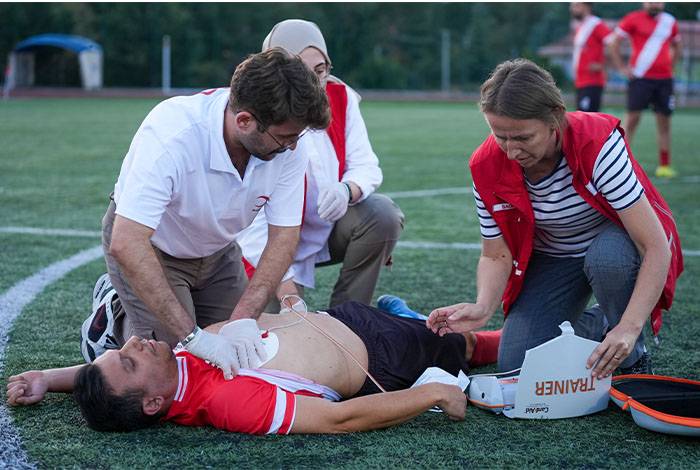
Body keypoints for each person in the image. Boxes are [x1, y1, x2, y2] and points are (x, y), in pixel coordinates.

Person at [426, 59, 683, 380]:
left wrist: (629, 328)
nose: (510, 151)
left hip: (616, 250)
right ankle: (603, 322)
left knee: (607, 260)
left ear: (555, 119)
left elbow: (655, 245)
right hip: (555, 258)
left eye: (522, 137)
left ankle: (631, 356)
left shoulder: (597, 143)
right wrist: (482, 306)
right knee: (518, 365)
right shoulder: (486, 164)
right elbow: (495, 253)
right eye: (500, 136)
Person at [85, 49, 330, 379]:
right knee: (177, 368)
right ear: (244, 121)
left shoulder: (286, 141)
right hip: (153, 249)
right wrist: (192, 338)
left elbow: (284, 235)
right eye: (285, 137)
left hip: (217, 248)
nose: (293, 146)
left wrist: (244, 317)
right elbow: (127, 241)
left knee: (253, 356)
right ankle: (115, 312)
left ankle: (165, 314)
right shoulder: (174, 132)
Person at [7, 301, 502, 435]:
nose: (134, 342)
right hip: (383, 355)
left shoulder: (172, 370)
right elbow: (339, 420)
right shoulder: (229, 402)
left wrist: (48, 380)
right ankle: (423, 325)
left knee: (420, 325)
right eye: (131, 358)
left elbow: (107, 380)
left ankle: (402, 311)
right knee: (474, 346)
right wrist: (431, 396)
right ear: (154, 403)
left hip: (341, 317)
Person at [236, 19, 405, 310]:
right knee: (274, 334)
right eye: (301, 70)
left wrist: (346, 190)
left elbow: (365, 164)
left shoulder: (341, 96)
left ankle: (349, 317)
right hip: (267, 240)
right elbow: (247, 224)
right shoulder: (254, 114)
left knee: (381, 214)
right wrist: (287, 291)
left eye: (321, 70)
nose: (315, 82)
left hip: (326, 227)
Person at [609, 2, 681, 178]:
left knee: (664, 122)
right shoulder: (633, 18)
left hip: (664, 80)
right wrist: (622, 68)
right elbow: (614, 43)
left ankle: (664, 166)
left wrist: (671, 66)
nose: (654, 3)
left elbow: (677, 46)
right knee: (632, 119)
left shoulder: (670, 21)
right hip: (640, 79)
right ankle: (620, 164)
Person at [570, 2, 613, 112]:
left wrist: (603, 65)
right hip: (580, 80)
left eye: (576, 5)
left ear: (587, 7)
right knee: (581, 118)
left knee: (587, 119)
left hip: (592, 81)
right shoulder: (580, 26)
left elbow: (613, 42)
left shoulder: (595, 24)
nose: (572, 9)